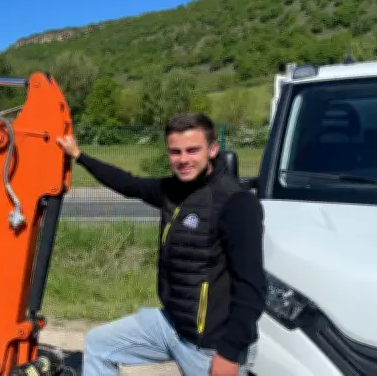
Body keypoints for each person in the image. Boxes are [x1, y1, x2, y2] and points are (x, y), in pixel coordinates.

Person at [56, 113, 265, 376]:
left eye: (192, 150)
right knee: (99, 344)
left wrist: (230, 353)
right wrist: (79, 155)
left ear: (212, 150)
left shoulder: (236, 203)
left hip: (210, 346)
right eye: (175, 152)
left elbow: (253, 287)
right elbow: (128, 184)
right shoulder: (171, 190)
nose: (183, 159)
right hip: (173, 325)